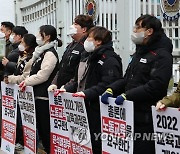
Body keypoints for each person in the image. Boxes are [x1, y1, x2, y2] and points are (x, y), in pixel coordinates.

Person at [101, 14, 173, 154]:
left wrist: (127, 95)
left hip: (147, 118)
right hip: (129, 115)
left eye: (138, 27)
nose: (134, 30)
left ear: (149, 31)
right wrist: (111, 89)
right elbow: (127, 79)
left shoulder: (162, 55)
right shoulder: (139, 52)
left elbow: (156, 86)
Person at [56, 26, 123, 153]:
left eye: (90, 38)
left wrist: (86, 93)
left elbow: (108, 84)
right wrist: (67, 89)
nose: (87, 41)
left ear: (98, 41)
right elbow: (78, 80)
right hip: (85, 106)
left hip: (98, 108)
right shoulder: (89, 56)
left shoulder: (109, 59)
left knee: (96, 143)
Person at [19, 25, 61, 154]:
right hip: (36, 95)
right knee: (41, 130)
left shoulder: (50, 54)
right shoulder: (40, 52)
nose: (37, 36)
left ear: (47, 37)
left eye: (40, 33)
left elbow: (43, 75)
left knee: (46, 129)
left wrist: (26, 82)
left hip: (44, 97)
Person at [4, 34, 37, 152]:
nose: (20, 45)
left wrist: (11, 79)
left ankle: (27, 144)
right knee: (18, 120)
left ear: (28, 45)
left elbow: (24, 76)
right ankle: (20, 141)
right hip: (18, 91)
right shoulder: (22, 56)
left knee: (27, 121)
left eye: (22, 42)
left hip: (26, 92)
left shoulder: (32, 58)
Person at [48, 15, 94, 91]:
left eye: (76, 24)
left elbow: (80, 73)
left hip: (73, 91)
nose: (72, 26)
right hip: (61, 90)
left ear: (84, 29)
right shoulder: (70, 46)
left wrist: (67, 87)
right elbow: (61, 67)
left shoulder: (86, 47)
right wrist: (54, 83)